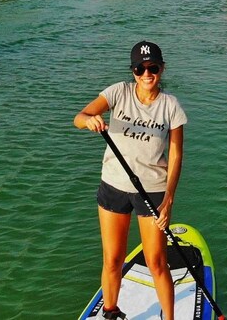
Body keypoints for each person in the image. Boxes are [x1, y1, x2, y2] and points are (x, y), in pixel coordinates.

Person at [74, 41, 186, 320]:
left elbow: (175, 155)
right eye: (140, 68)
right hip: (113, 186)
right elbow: (80, 116)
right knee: (112, 260)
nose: (146, 74)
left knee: (157, 262)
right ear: (133, 71)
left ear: (162, 69)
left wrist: (169, 199)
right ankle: (110, 312)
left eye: (153, 68)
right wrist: (89, 120)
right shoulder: (118, 92)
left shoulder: (170, 105)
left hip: (153, 192)